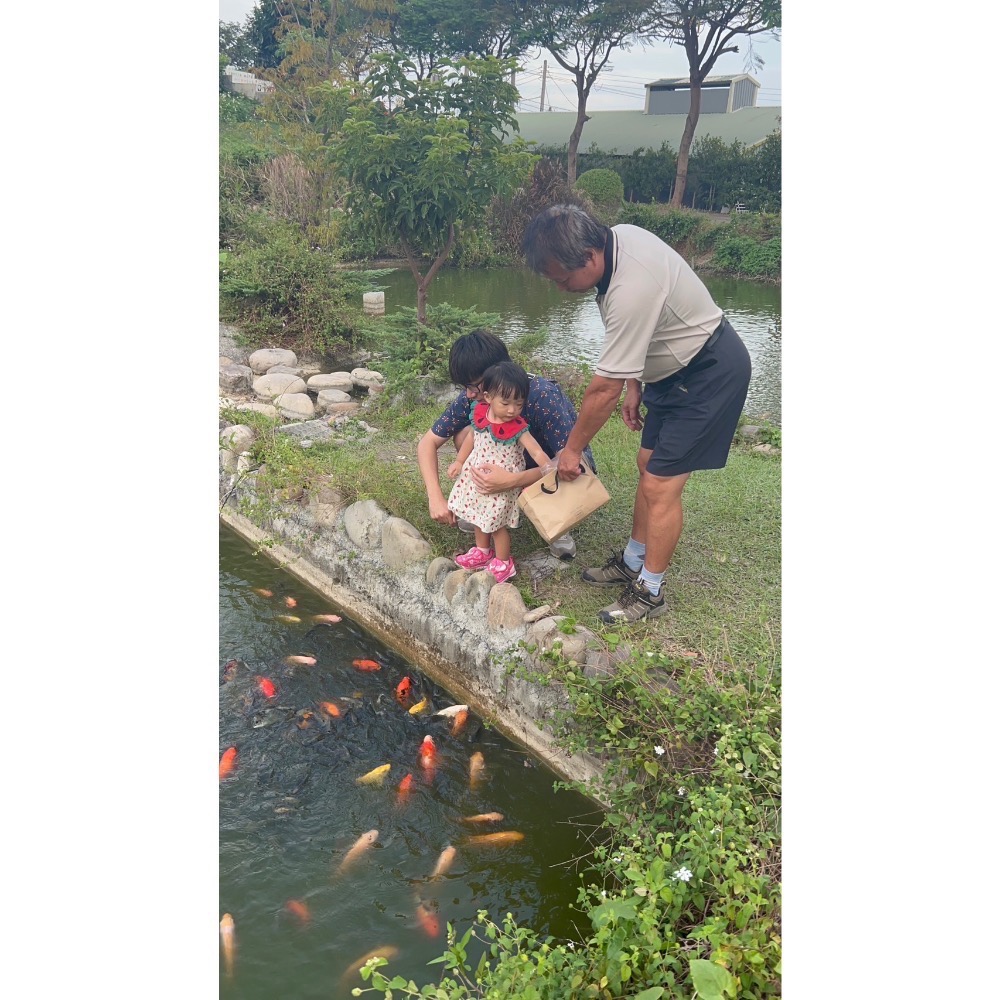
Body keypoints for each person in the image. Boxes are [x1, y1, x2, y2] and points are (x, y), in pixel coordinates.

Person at [522, 203, 752, 624]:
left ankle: (650, 591)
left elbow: (601, 389)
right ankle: (632, 560)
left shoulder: (631, 286)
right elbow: (640, 333)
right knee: (647, 464)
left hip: (708, 373)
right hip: (670, 371)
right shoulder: (617, 239)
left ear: (589, 257)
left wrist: (572, 451)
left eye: (563, 278)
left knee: (661, 483)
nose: (561, 288)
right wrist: (635, 381)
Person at [415, 330, 595, 560]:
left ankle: (558, 521)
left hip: (550, 464)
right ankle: (485, 511)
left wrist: (511, 481)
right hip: (508, 462)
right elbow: (427, 443)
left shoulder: (542, 395)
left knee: (568, 467)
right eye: (465, 387)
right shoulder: (478, 396)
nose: (469, 394)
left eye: (474, 386)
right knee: (465, 435)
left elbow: (572, 460)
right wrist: (436, 498)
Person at [446, 361, 552, 583]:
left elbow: (536, 450)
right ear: (488, 397)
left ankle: (504, 562)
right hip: (477, 477)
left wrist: (547, 466)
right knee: (478, 515)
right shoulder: (481, 415)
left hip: (502, 483)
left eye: (519, 404)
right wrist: (459, 460)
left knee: (497, 524)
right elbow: (471, 439)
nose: (512, 410)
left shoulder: (518, 428)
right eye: (505, 403)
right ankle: (482, 552)